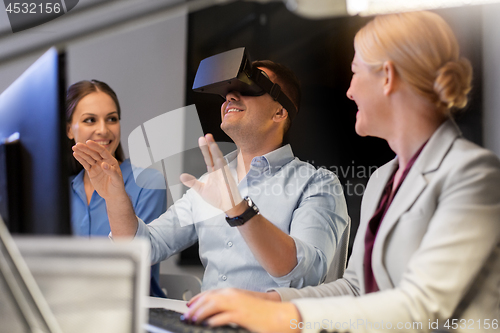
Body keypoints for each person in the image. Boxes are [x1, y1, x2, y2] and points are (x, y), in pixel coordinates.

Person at [182, 11, 500, 333]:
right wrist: (270, 302)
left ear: (387, 77)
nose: (349, 92)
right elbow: (354, 288)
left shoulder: (474, 174)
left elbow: (423, 307)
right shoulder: (381, 181)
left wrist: (282, 319)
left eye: (355, 73)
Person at [71, 61, 350, 292]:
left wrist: (240, 210)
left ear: (279, 111)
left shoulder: (317, 184)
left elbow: (305, 278)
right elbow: (144, 247)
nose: (230, 96)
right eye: (227, 91)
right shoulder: (210, 182)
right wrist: (114, 195)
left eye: (249, 86)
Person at [66, 80, 167, 297]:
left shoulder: (148, 182)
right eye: (90, 120)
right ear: (69, 130)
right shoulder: (57, 192)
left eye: (111, 119)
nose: (103, 130)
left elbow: (134, 266)